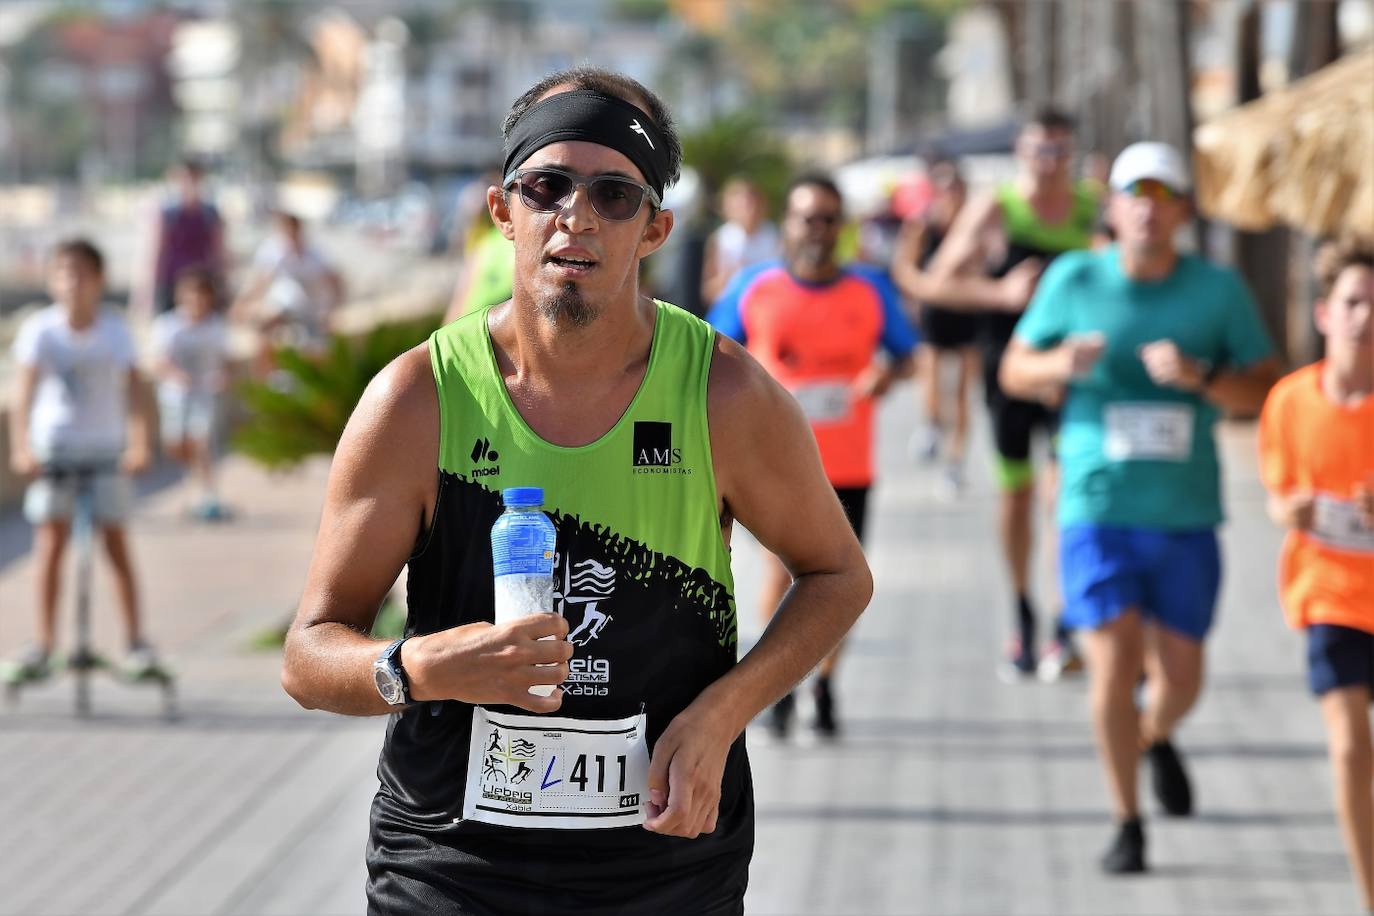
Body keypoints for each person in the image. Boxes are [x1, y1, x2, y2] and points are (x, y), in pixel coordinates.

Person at [280, 67, 872, 914]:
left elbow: (839, 575)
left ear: (655, 228)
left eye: (614, 195)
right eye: (548, 185)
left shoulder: (724, 395)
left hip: (663, 866)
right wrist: (415, 666)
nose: (577, 216)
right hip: (450, 861)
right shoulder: (419, 400)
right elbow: (308, 656)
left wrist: (721, 715)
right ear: (502, 211)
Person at [999, 142, 1281, 874]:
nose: (1148, 207)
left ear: (1184, 211)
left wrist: (1202, 377)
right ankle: (1128, 821)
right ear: (1114, 208)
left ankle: (1152, 735)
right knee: (1113, 665)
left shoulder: (1217, 291)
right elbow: (1014, 368)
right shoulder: (1075, 278)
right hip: (1096, 505)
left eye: (1163, 194)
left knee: (1182, 679)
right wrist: (1060, 365)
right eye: (1134, 194)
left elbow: (1264, 388)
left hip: (1185, 513)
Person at [709, 173, 917, 739]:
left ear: (841, 228)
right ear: (789, 224)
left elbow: (908, 355)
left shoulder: (870, 289)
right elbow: (708, 355)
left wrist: (886, 372)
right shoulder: (755, 286)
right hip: (774, 464)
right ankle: (778, 685)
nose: (818, 230)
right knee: (779, 573)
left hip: (847, 465)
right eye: (807, 218)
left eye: (829, 219)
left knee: (837, 582)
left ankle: (824, 680)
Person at [925, 108, 1102, 681]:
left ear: (1070, 155)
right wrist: (1000, 292)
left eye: (1059, 152)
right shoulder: (997, 208)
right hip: (1008, 368)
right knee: (1018, 494)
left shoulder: (1088, 207)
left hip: (1071, 371)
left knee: (1063, 494)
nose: (1049, 164)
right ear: (1022, 154)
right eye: (1039, 151)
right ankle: (1023, 611)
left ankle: (1065, 620)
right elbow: (941, 281)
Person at [1258, 240, 1373, 911]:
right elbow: (1277, 497)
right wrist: (1290, 508)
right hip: (1328, 593)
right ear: (1327, 313)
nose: (1366, 318)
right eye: (1354, 303)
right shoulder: (1290, 401)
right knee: (1352, 751)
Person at [5, 239, 158, 680]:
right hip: (56, 447)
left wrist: (140, 443)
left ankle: (135, 641)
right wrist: (21, 447)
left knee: (115, 544)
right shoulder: (41, 330)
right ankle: (44, 642)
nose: (72, 284)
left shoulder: (114, 331)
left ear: (98, 280)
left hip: (105, 447)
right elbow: (23, 393)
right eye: (63, 274)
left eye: (81, 274)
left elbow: (135, 390)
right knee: (51, 544)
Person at [891, 159, 981, 494]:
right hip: (934, 312)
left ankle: (956, 463)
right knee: (929, 373)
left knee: (961, 391)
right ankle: (931, 425)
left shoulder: (974, 227)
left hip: (967, 310)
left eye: (955, 188)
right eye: (943, 188)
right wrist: (923, 290)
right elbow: (904, 267)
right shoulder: (923, 226)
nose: (950, 195)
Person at [151, 267, 231, 521]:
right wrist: (176, 375)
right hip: (175, 397)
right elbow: (157, 361)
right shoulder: (168, 325)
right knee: (175, 444)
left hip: (204, 395)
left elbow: (226, 361)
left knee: (202, 440)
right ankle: (193, 481)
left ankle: (208, 493)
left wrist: (223, 376)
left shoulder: (216, 326)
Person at [233, 210, 343, 374]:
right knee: (264, 331)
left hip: (310, 311)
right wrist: (242, 304)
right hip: (285, 306)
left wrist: (331, 309)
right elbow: (260, 282)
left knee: (319, 352)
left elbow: (335, 281)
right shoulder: (273, 251)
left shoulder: (315, 254)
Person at [139, 158, 227, 320]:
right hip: (172, 281)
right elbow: (156, 252)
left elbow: (220, 251)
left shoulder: (210, 213)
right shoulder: (167, 213)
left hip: (202, 284)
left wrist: (223, 283)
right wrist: (146, 294)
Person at [700, 177, 780, 304]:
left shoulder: (775, 236)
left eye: (752, 203)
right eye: (742, 205)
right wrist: (728, 279)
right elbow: (709, 292)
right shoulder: (720, 239)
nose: (749, 210)